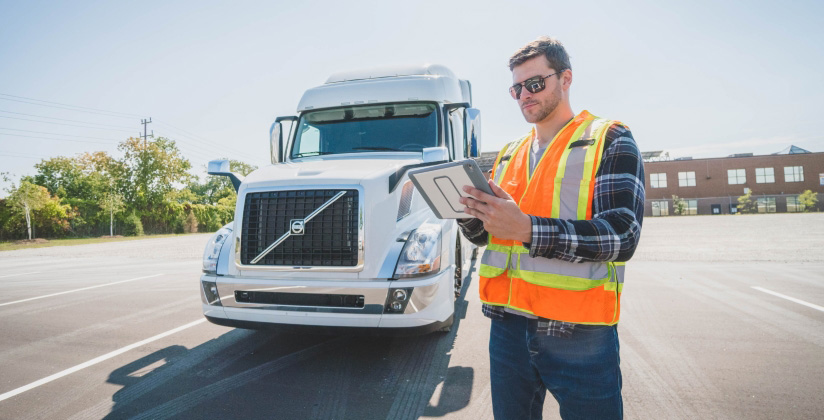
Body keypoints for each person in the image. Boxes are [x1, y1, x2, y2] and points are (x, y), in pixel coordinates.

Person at [458, 36, 645, 420]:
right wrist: (467, 215)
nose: (524, 94)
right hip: (508, 327)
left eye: (535, 83)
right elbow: (487, 236)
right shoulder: (508, 154)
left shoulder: (609, 139)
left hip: (579, 330)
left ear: (565, 79)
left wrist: (527, 228)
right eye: (517, 88)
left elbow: (622, 235)